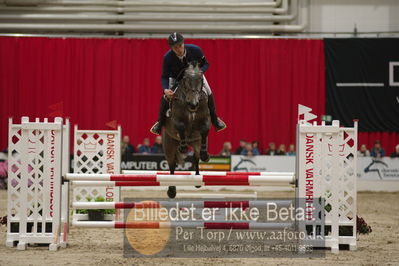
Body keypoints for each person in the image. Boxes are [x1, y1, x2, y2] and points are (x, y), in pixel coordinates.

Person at [150, 32, 226, 135]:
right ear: (171, 48)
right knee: (166, 97)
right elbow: (164, 76)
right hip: (176, 78)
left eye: (180, 46)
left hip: (195, 77)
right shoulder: (167, 58)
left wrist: (198, 72)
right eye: (175, 47)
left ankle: (215, 119)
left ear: (183, 43)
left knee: (208, 91)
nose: (178, 49)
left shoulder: (195, 50)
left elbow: (206, 64)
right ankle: (159, 123)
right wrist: (165, 90)